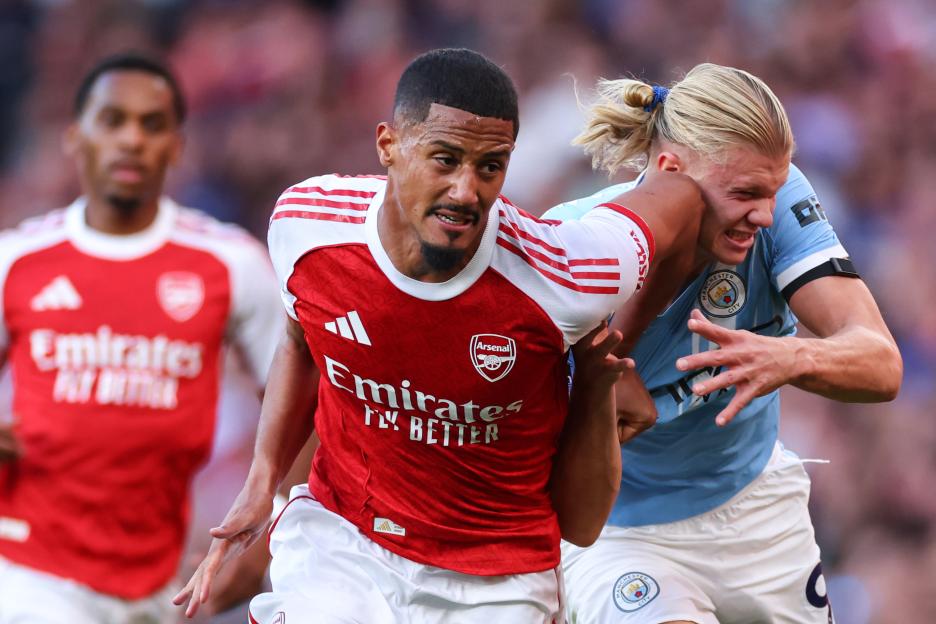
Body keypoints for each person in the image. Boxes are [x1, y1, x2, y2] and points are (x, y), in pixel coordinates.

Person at [174, 47, 708, 623]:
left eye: (490, 167)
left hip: (495, 579)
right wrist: (263, 478)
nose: (465, 191)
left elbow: (682, 199)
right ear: (389, 146)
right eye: (445, 159)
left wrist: (618, 350)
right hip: (343, 541)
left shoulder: (567, 272)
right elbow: (301, 337)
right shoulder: (306, 224)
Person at [545, 63, 903, 624]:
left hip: (757, 510)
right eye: (745, 194)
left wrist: (791, 355)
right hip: (622, 536)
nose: (764, 214)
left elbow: (881, 364)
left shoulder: (778, 199)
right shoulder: (573, 245)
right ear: (670, 169)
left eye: (773, 192)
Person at [0, 53, 284, 623]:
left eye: (151, 125)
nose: (132, 139)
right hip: (28, 567)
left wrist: (272, 527)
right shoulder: (17, 260)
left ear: (177, 146)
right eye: (113, 121)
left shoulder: (230, 265)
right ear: (75, 138)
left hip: (160, 581)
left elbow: (306, 402)